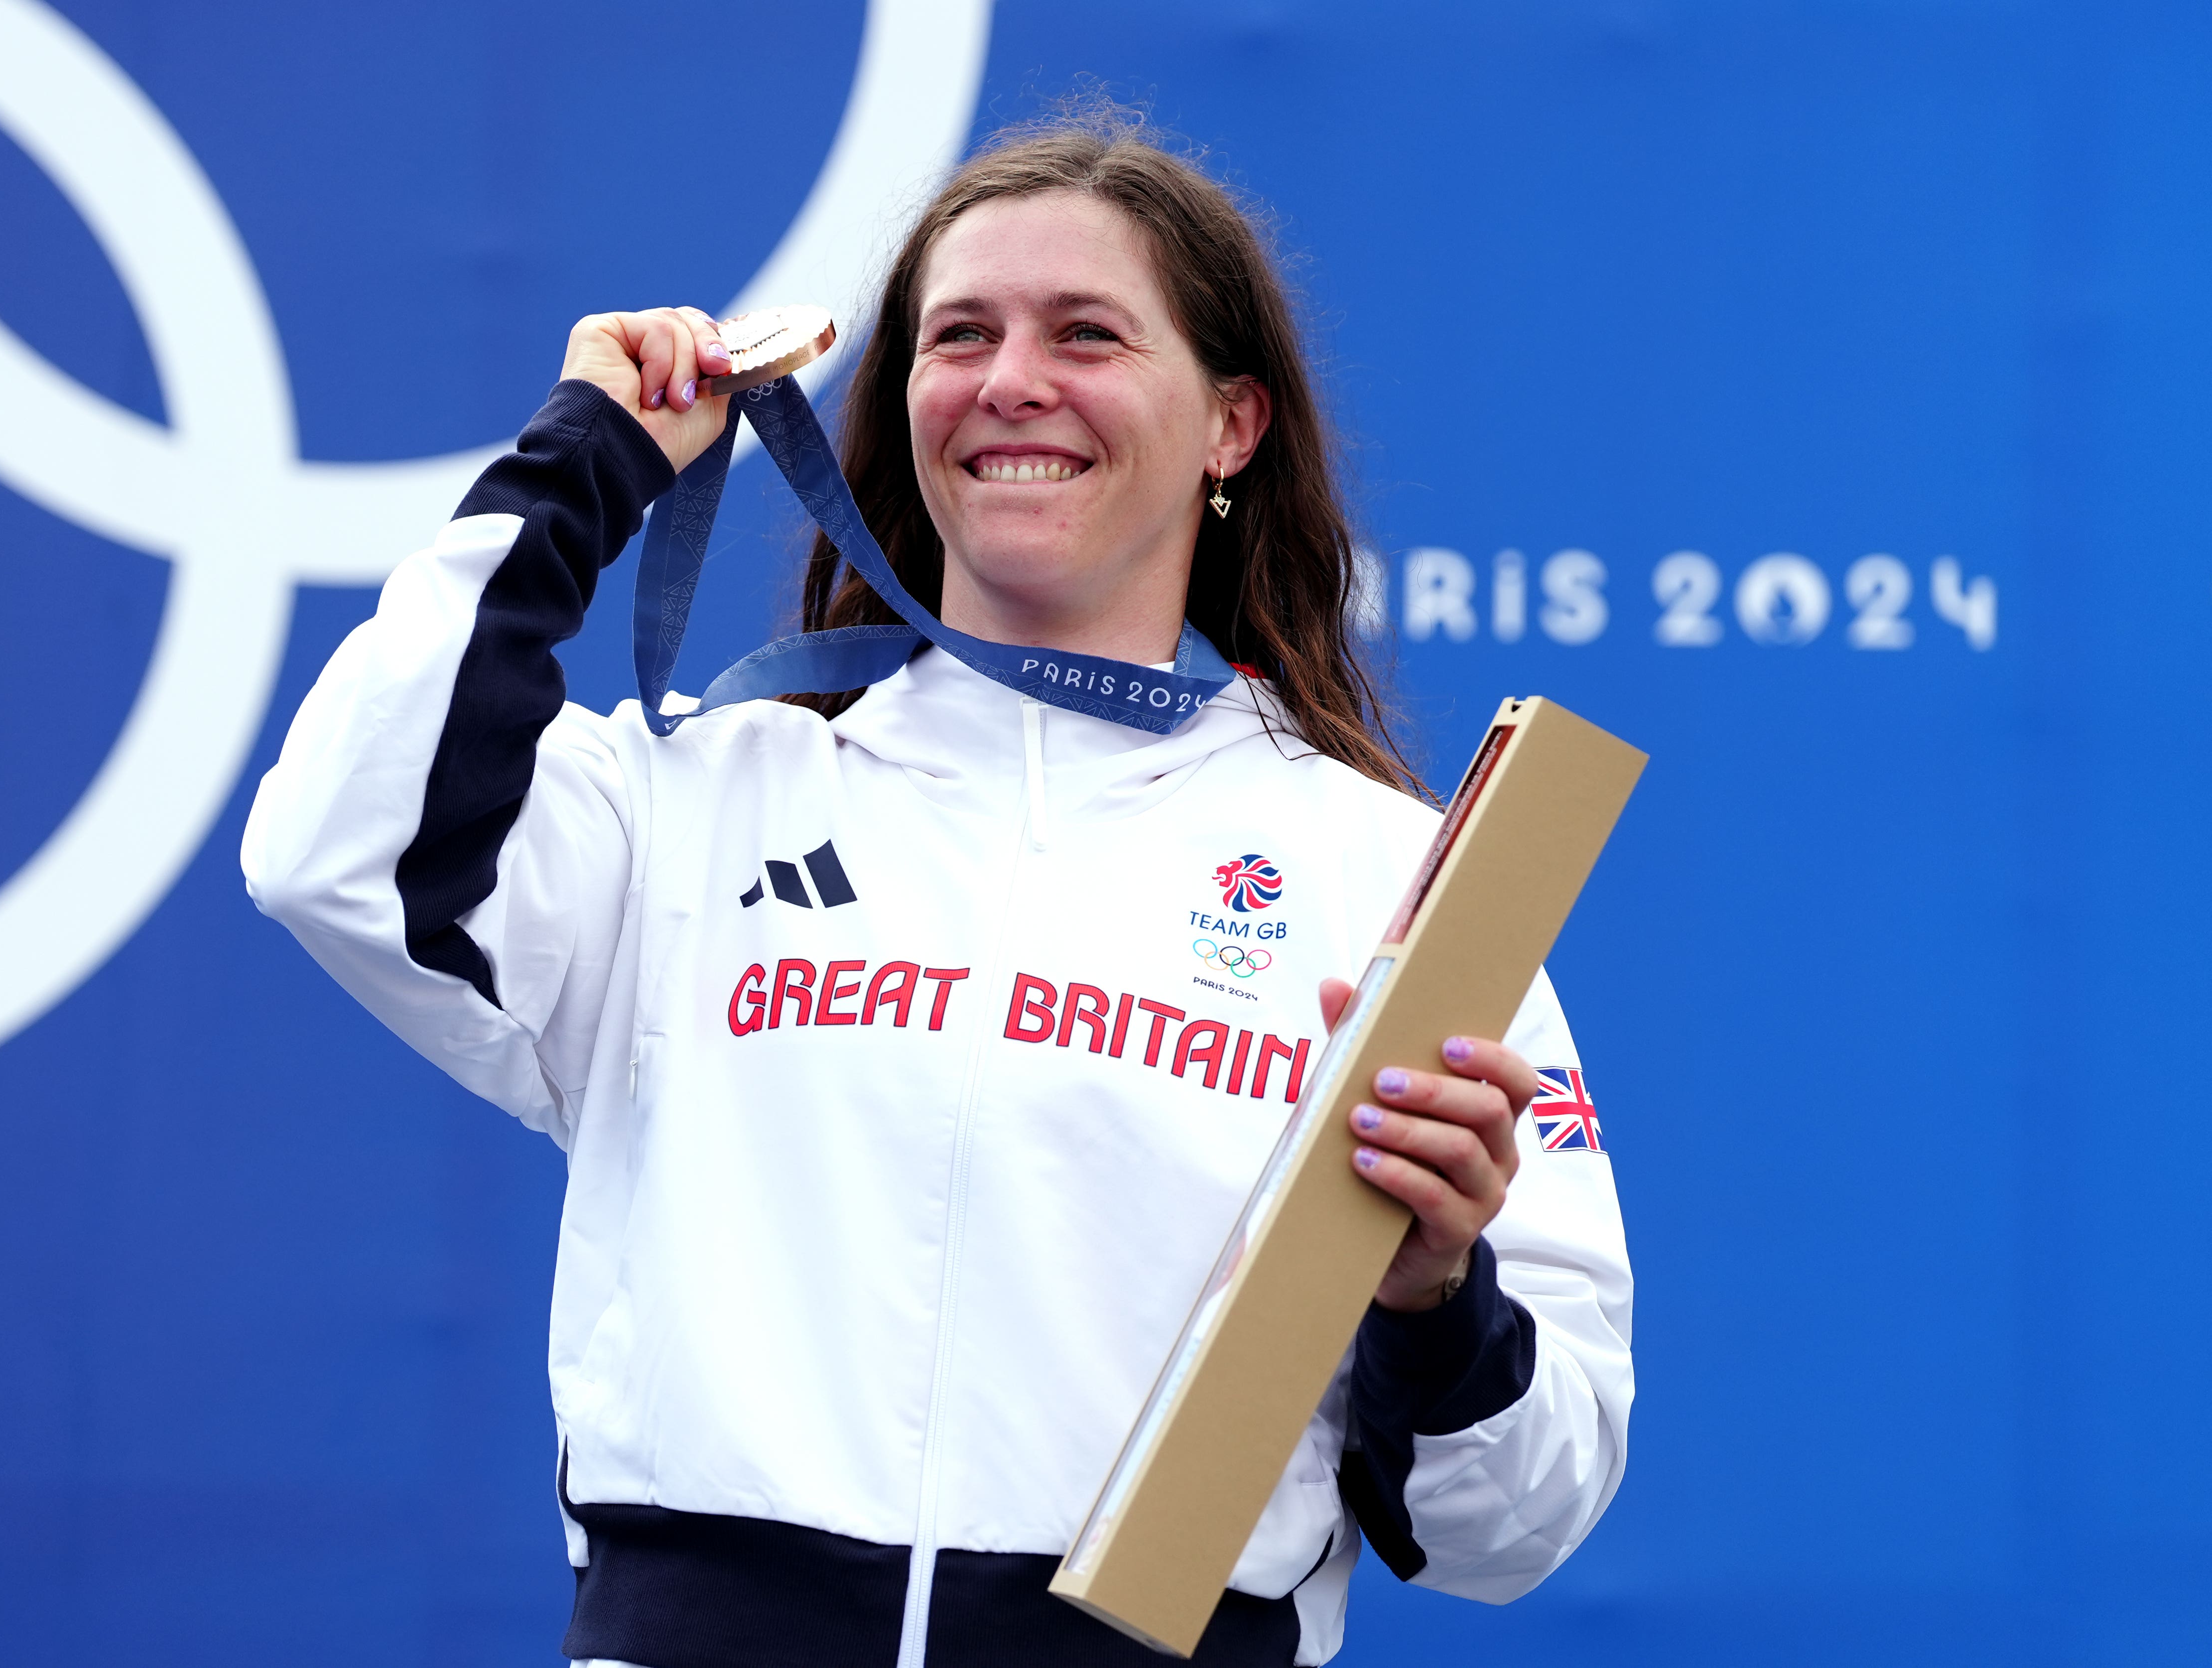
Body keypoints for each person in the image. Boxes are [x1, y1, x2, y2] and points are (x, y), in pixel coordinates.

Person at [243, 111, 1631, 1668]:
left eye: (1087, 335)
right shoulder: (700, 800)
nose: (1010, 381)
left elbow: (1514, 1523)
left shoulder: (1389, 883)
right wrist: (584, 464)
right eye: (957, 336)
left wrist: (1434, 1303)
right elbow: (339, 844)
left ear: (1233, 426)